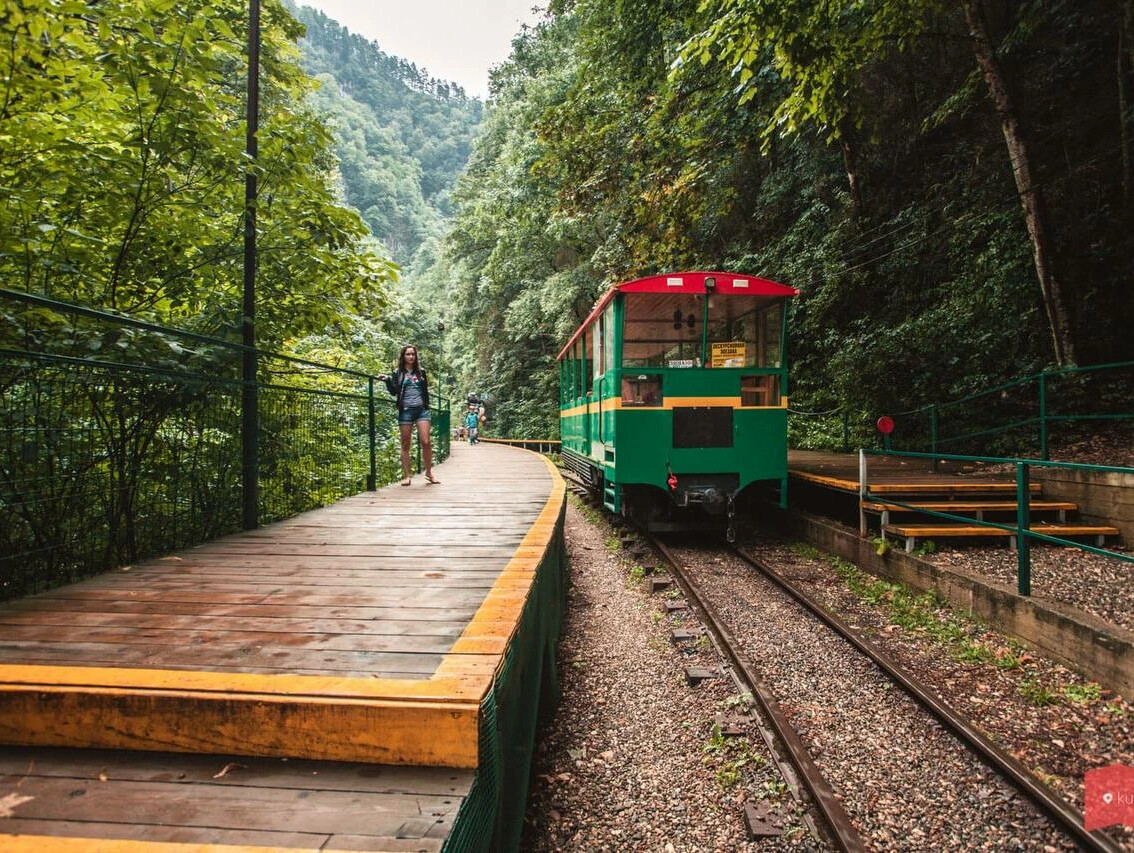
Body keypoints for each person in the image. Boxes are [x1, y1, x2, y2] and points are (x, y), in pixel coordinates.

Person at [378, 345, 439, 486]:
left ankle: (429, 472)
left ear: (416, 356)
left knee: (426, 441)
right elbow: (394, 391)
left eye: (413, 354)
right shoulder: (398, 373)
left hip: (421, 410)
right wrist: (387, 380)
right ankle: (407, 476)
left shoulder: (421, 372)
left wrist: (426, 405)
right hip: (405, 411)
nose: (411, 357)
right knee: (406, 443)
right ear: (403, 356)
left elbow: (424, 392)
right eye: (408, 354)